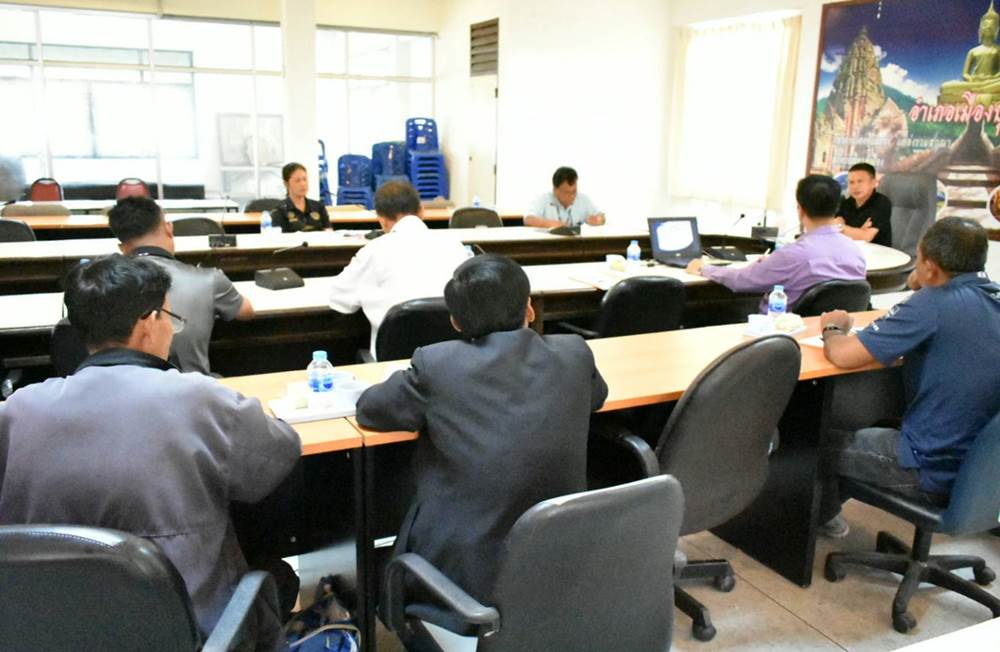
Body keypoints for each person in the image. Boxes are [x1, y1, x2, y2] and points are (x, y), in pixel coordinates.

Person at [0, 255, 301, 649]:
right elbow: (279, 457)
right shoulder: (200, 399)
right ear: (149, 322)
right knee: (277, 573)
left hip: (52, 632)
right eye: (170, 319)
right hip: (190, 631)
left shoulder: (18, 410)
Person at [355, 254, 608, 604]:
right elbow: (596, 396)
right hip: (557, 561)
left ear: (456, 322)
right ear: (529, 308)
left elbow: (370, 410)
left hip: (460, 579)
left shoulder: (437, 364)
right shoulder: (574, 352)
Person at [817, 217, 1000, 537]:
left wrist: (832, 328)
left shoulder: (936, 303)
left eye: (919, 258)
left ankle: (822, 518)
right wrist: (922, 283)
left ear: (930, 267)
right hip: (980, 472)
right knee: (874, 423)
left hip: (926, 465)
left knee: (812, 443)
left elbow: (844, 355)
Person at [108, 196, 254, 375]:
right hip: (195, 387)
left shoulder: (102, 288)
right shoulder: (209, 279)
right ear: (169, 228)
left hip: (128, 387)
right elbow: (246, 312)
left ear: (122, 248)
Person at [328, 180, 468, 358]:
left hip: (391, 368)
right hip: (450, 363)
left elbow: (338, 300)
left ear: (382, 220)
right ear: (422, 211)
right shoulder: (455, 246)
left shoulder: (374, 251)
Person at [687, 174, 868, 312]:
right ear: (837, 207)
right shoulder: (855, 251)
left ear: (800, 209)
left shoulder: (793, 254)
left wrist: (704, 268)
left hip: (781, 337)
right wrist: (772, 265)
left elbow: (741, 281)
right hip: (829, 336)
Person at [524, 166, 605, 228]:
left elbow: (601, 216)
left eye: (574, 191)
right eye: (567, 193)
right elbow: (528, 219)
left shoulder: (582, 199)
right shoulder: (543, 199)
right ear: (555, 190)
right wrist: (553, 224)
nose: (572, 196)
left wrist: (599, 220)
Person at [836, 162, 893, 248]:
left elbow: (866, 237)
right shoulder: (846, 203)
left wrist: (841, 228)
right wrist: (858, 232)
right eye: (851, 182)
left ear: (873, 183)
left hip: (878, 253)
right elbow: (835, 229)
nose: (855, 187)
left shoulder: (881, 202)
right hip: (852, 250)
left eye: (860, 181)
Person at [270, 162, 331, 232]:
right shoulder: (279, 210)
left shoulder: (319, 207)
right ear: (286, 184)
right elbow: (277, 236)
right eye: (297, 181)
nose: (303, 184)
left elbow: (328, 231)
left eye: (305, 179)